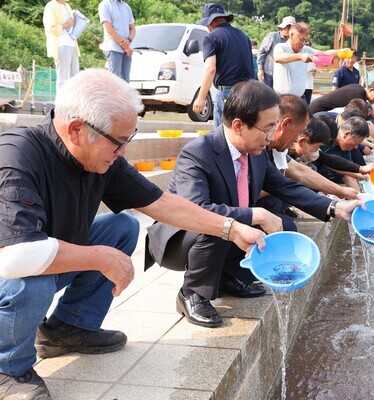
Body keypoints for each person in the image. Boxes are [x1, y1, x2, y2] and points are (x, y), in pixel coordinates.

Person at [0, 69, 265, 400]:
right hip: (9, 269)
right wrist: (100, 256)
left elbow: (164, 204)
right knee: (32, 276)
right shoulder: (17, 155)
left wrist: (231, 227)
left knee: (121, 227)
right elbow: (15, 256)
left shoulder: (102, 159)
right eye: (120, 142)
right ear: (77, 130)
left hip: (43, 255)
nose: (123, 152)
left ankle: (68, 328)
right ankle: (8, 368)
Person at [146, 81, 362, 328]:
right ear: (238, 125)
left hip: (219, 231)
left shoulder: (255, 154)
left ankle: (229, 276)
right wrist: (255, 214)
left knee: (286, 225)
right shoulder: (198, 153)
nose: (272, 137)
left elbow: (286, 186)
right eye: (268, 128)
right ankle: (192, 294)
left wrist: (335, 207)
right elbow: (197, 210)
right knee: (223, 226)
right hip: (182, 237)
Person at [255, 94, 360, 228]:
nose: (298, 138)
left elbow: (299, 172)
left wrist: (340, 192)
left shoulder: (276, 148)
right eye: (298, 132)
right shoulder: (256, 147)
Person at [193, 3, 255, 130]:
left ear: (209, 22)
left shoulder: (211, 37)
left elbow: (210, 68)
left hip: (228, 93)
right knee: (242, 132)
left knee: (222, 136)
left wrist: (201, 97)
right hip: (249, 92)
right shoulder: (244, 36)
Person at [273, 22, 345, 97]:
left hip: (299, 98)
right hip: (281, 98)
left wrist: (341, 52)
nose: (303, 43)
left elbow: (325, 54)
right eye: (301, 39)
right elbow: (278, 58)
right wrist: (300, 57)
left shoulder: (306, 49)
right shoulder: (281, 47)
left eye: (305, 41)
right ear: (291, 35)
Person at [313, 115, 371, 191]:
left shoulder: (347, 148)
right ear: (346, 134)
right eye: (356, 143)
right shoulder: (323, 136)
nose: (356, 147)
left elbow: (347, 173)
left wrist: (359, 197)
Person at [43, 0, 80, 92]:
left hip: (72, 44)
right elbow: (50, 28)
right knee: (63, 79)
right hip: (61, 44)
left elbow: (71, 24)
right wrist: (65, 25)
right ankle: (61, 104)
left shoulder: (67, 6)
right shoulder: (50, 6)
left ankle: (74, 103)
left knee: (75, 78)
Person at [98, 0, 136, 82]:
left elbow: (132, 28)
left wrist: (129, 40)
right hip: (113, 48)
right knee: (115, 81)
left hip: (127, 49)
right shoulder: (105, 5)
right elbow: (109, 29)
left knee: (125, 81)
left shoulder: (126, 6)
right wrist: (125, 46)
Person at [256, 16, 295, 88]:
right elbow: (261, 52)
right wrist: (260, 69)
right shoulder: (272, 36)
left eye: (291, 28)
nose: (288, 30)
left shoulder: (293, 41)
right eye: (287, 27)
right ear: (283, 27)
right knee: (266, 96)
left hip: (284, 77)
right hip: (269, 73)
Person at [308, 80, 374, 114]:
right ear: (371, 90)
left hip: (316, 106)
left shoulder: (358, 88)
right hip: (317, 110)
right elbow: (365, 122)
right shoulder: (359, 96)